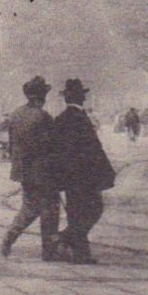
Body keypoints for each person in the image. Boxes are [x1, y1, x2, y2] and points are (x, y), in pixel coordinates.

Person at [53, 78, 115, 264]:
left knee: (75, 212)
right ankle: (65, 239)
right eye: (82, 95)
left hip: (69, 176)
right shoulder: (80, 118)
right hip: (85, 175)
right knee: (94, 209)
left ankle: (80, 252)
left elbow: (57, 149)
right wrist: (105, 171)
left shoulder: (61, 119)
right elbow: (93, 149)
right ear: (80, 98)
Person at [2, 76, 60, 260]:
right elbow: (52, 145)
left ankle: (10, 236)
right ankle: (48, 251)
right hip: (43, 171)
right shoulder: (43, 117)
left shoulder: (16, 114)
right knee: (50, 209)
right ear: (41, 97)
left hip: (23, 171)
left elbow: (12, 145)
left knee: (28, 207)